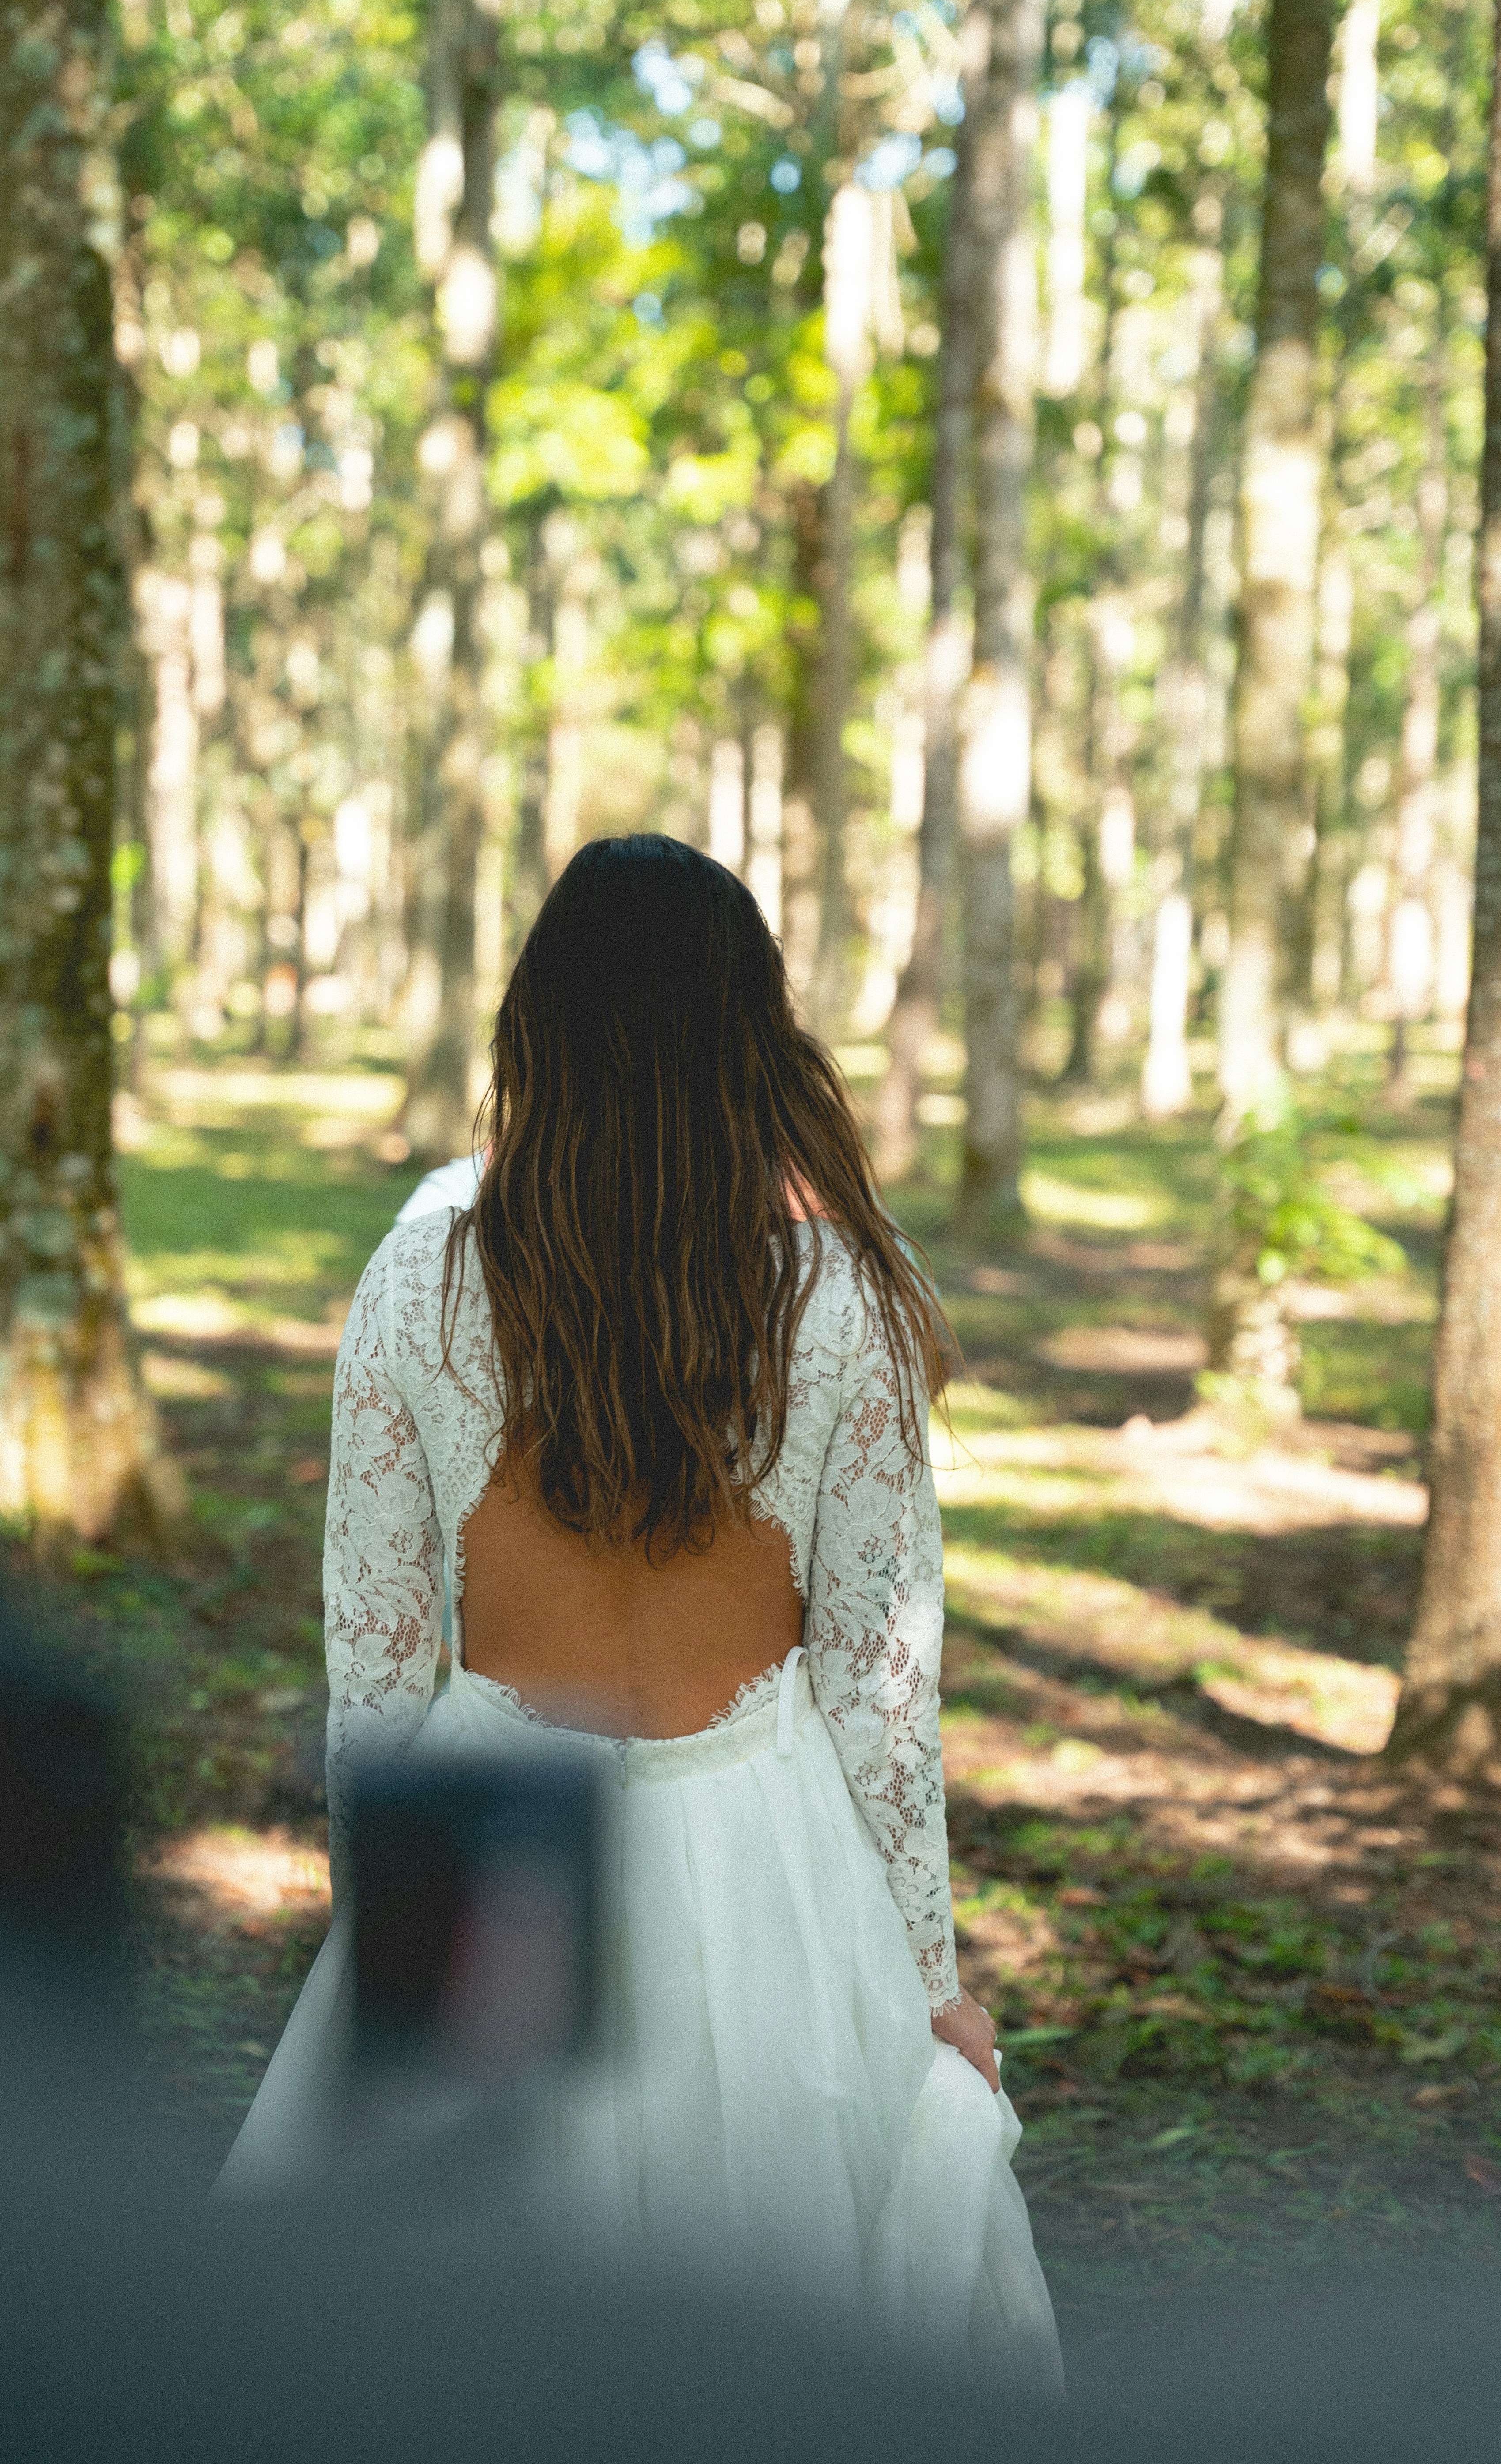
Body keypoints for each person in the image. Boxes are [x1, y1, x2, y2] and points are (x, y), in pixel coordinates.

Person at [222, 834, 1062, 2388]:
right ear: (753, 1037)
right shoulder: (846, 1308)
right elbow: (883, 1696)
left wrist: (382, 1942)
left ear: (534, 1034)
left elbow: (377, 1677)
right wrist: (930, 1978)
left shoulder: (415, 1288)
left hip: (485, 1854)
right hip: (773, 1862)